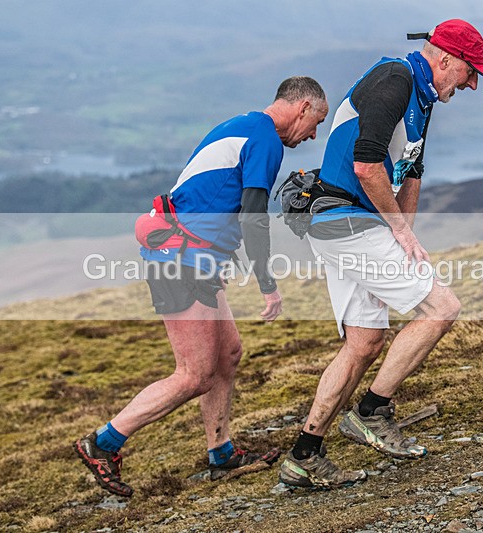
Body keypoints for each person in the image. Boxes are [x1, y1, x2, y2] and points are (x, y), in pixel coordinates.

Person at [74, 77, 329, 497]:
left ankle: (221, 453)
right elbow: (252, 215)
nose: (314, 133)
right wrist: (267, 283)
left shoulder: (245, 123)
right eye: (316, 122)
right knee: (194, 374)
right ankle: (102, 443)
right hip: (180, 261)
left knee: (228, 354)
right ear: (302, 107)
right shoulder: (267, 141)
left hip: (195, 257)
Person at [278, 20, 483, 488]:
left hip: (353, 223)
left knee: (364, 344)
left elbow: (411, 169)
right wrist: (399, 229)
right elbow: (367, 163)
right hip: (346, 219)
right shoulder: (395, 79)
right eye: (471, 71)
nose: (474, 82)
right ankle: (372, 413)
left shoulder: (424, 95)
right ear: (445, 60)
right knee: (442, 308)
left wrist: (406, 236)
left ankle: (304, 454)